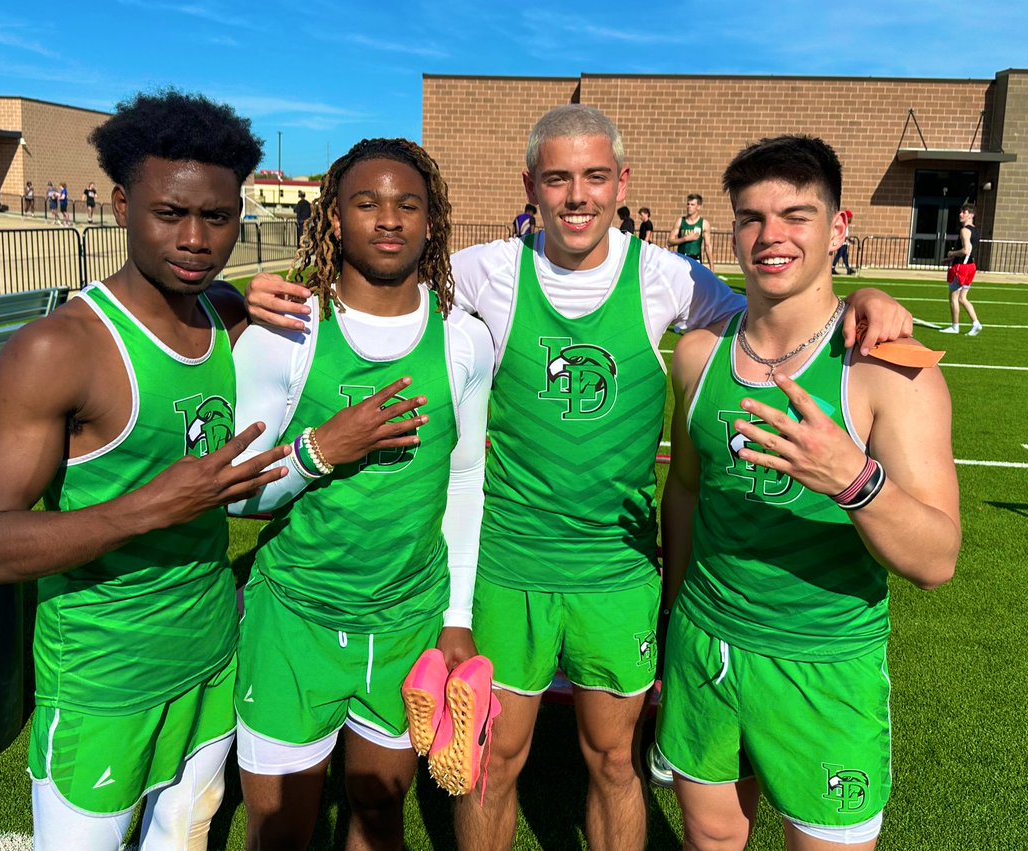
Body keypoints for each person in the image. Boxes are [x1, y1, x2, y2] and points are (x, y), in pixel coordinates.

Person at [244, 106, 911, 851]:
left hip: (618, 573)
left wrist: (862, 301)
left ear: (621, 183)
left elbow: (775, 309)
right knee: (493, 761)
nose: (576, 196)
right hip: (507, 565)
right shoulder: (485, 272)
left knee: (615, 762)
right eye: (557, 178)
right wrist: (240, 297)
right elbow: (378, 287)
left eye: (595, 176)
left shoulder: (671, 280)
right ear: (530, 185)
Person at [0, 90, 288, 851]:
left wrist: (243, 295)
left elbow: (225, 294)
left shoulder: (219, 312)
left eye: (218, 217)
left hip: (209, 654)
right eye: (170, 214)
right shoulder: (57, 351)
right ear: (119, 205)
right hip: (104, 676)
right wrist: (150, 507)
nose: (197, 239)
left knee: (182, 837)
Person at [656, 135, 959, 851]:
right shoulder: (698, 354)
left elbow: (937, 558)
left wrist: (852, 479)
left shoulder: (890, 370)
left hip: (822, 663)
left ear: (839, 227)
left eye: (796, 215)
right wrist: (673, 616)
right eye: (752, 217)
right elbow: (687, 493)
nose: (772, 237)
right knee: (708, 836)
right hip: (704, 644)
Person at [229, 137, 493, 849]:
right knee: (282, 831)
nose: (388, 218)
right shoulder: (286, 334)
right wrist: (320, 452)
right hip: (295, 622)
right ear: (335, 219)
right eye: (367, 202)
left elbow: (466, 477)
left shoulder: (464, 340)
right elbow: (233, 496)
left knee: (378, 818)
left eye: (408, 204)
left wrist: (457, 613)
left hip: (407, 622)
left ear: (431, 222)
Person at [941, 204, 983, 336]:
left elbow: (966, 250)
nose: (961, 214)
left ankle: (955, 327)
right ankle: (976, 323)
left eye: (964, 212)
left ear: (971, 215)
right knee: (962, 298)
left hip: (962, 267)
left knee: (953, 297)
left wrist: (951, 253)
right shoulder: (975, 230)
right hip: (971, 266)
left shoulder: (965, 230)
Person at [669, 193, 714, 270]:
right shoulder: (680, 221)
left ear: (698, 207)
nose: (689, 206)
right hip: (681, 259)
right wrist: (686, 238)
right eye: (688, 204)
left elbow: (708, 246)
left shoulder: (704, 223)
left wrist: (712, 266)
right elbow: (670, 242)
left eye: (692, 204)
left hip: (696, 260)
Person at [832, 209, 855, 274]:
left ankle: (848, 269)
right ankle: (832, 267)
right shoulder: (843, 224)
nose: (851, 219)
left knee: (844, 256)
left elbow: (846, 235)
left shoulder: (845, 224)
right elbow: (842, 234)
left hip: (844, 242)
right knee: (839, 255)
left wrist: (849, 240)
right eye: (850, 217)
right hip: (842, 242)